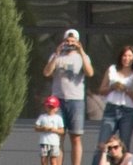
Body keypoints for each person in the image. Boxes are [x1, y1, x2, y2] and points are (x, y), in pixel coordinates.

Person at [48, 28, 97, 165]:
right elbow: (46, 72)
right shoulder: (56, 55)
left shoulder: (83, 57)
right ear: (63, 41)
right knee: (58, 137)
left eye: (73, 41)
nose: (70, 43)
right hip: (58, 100)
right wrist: (57, 53)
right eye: (67, 41)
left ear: (78, 42)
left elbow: (90, 73)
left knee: (75, 137)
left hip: (76, 101)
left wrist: (81, 51)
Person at [100, 46, 133, 155]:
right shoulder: (112, 69)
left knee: (124, 144)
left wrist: (126, 89)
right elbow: (101, 90)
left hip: (128, 111)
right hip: (111, 108)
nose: (127, 58)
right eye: (124, 55)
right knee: (103, 144)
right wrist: (112, 87)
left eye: (130, 56)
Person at [40, 97, 70, 165]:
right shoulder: (42, 117)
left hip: (54, 143)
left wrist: (54, 130)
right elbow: (36, 127)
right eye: (49, 107)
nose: (50, 109)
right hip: (44, 142)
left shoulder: (58, 118)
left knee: (53, 160)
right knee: (44, 159)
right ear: (46, 107)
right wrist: (43, 128)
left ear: (57, 108)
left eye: (52, 107)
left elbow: (62, 131)